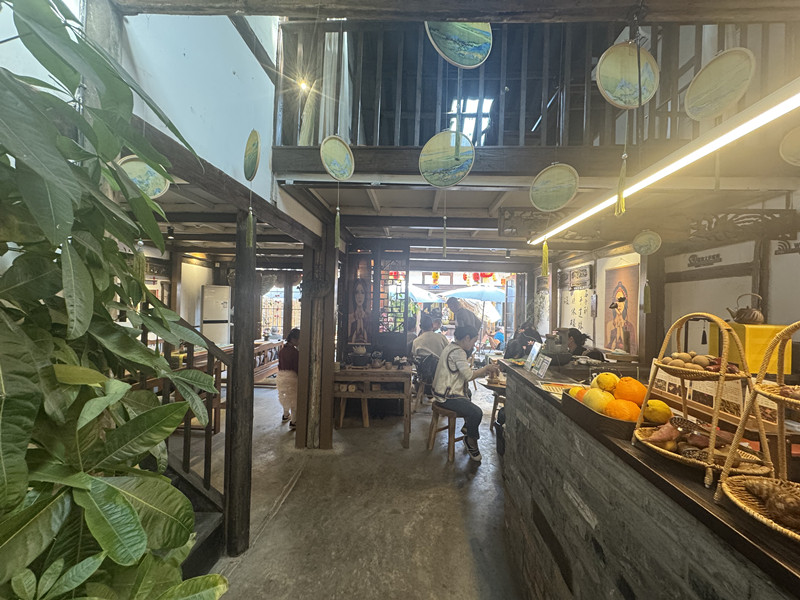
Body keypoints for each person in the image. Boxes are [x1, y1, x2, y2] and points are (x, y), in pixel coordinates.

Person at [431, 325, 500, 462]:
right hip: (446, 397)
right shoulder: (458, 352)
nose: (474, 345)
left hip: (439, 392)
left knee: (468, 394)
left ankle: (468, 428)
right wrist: (486, 368)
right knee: (477, 412)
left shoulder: (451, 346)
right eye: (473, 341)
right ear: (467, 338)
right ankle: (470, 441)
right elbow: (468, 376)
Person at [277, 328, 300, 430]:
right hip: (292, 377)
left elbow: (279, 365)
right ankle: (294, 421)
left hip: (281, 376)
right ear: (294, 339)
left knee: (284, 396)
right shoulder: (295, 352)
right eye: (299, 339)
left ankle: (285, 415)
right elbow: (296, 368)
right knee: (294, 400)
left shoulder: (282, 350)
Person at [606, 281, 637, 353]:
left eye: (621, 301)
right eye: (617, 301)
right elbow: (609, 348)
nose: (619, 305)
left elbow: (633, 349)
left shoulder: (630, 326)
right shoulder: (610, 325)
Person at [348, 278, 370, 344]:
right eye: (357, 292)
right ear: (354, 295)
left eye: (362, 292)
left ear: (365, 295)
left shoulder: (369, 317)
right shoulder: (350, 318)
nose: (359, 296)